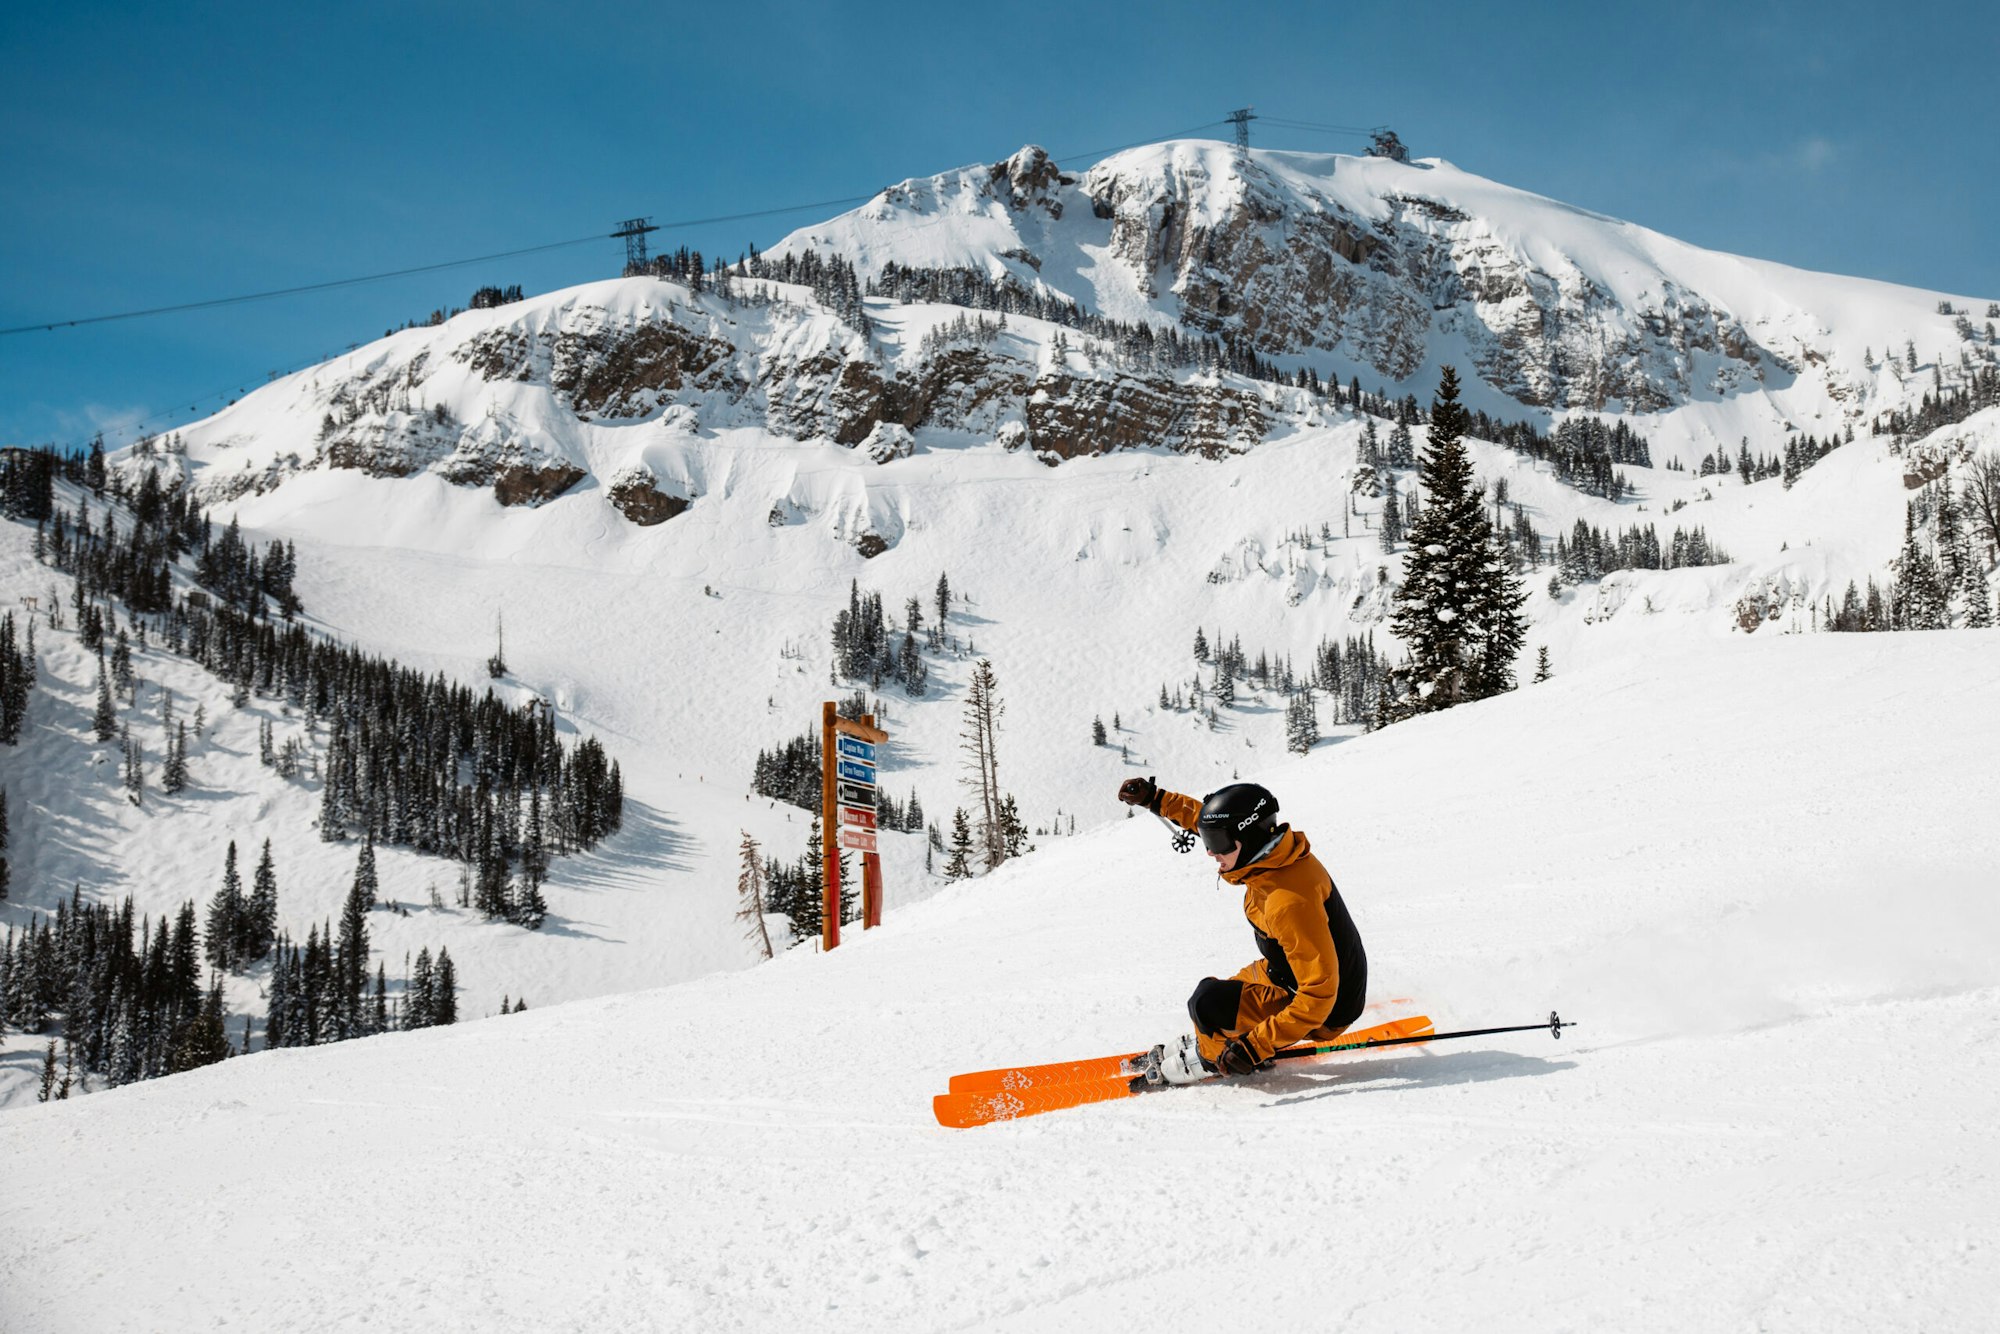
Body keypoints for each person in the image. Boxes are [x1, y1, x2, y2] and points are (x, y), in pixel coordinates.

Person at [1117, 776, 1367, 1077]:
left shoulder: (1288, 901)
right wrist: (1156, 799)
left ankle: (1207, 1059)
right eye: (1209, 840)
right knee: (1220, 1001)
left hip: (1326, 1010)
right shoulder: (1271, 859)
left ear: (1248, 840)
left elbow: (1319, 994)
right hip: (1285, 973)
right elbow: (1211, 823)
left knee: (1207, 1002)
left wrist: (1256, 1047)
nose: (1210, 852)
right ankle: (1213, 1038)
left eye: (1217, 843)